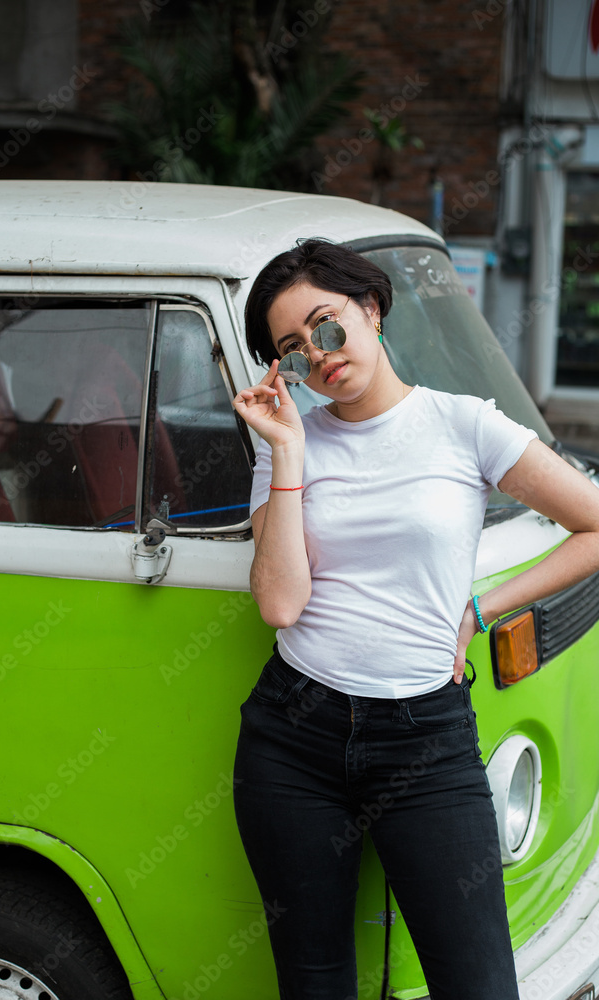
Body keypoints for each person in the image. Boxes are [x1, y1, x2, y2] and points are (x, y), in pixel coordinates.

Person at [230, 238, 599, 1000]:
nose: (320, 358)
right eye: (293, 353)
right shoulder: (286, 445)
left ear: (370, 309)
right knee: (314, 979)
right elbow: (279, 604)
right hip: (294, 737)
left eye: (327, 327)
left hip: (425, 739)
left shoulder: (464, 425)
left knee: (478, 984)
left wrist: (481, 606)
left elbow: (592, 526)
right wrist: (290, 452)